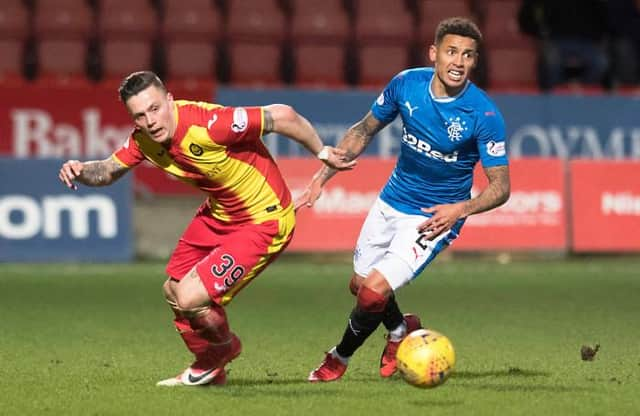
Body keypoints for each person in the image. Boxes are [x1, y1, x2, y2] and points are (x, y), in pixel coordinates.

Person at [58, 70, 355, 387]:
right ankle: (211, 366)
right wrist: (81, 170)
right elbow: (107, 171)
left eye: (155, 108)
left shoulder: (209, 124)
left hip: (263, 219)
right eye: (140, 116)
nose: (151, 121)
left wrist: (322, 152)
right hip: (220, 214)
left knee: (189, 298)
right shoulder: (143, 140)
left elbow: (283, 116)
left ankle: (224, 348)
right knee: (172, 291)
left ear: (169, 100)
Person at [295, 17, 511, 382]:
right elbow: (364, 129)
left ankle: (339, 358)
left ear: (476, 62)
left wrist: (461, 209)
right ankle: (400, 328)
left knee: (372, 295)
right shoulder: (406, 84)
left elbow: (500, 186)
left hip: (433, 216)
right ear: (434, 54)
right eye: (451, 52)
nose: (458, 62)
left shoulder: (484, 114)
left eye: (468, 55)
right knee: (360, 287)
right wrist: (322, 175)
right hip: (391, 200)